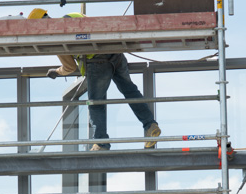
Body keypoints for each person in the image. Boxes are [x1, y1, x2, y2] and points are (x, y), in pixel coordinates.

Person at [27, 8, 161, 151]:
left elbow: (70, 67)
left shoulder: (55, 37)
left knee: (95, 103)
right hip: (115, 52)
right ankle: (150, 125)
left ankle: (101, 143)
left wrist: (57, 72)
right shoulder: (73, 15)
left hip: (97, 62)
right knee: (129, 91)